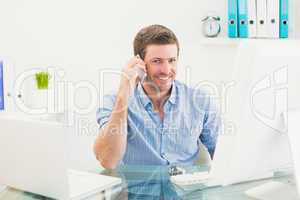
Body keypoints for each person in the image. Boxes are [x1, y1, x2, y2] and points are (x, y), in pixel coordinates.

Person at [94, 24, 220, 169]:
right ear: (139, 63)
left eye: (172, 60)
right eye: (157, 61)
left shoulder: (200, 101)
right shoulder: (114, 101)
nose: (166, 70)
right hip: (137, 191)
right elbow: (108, 161)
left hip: (188, 190)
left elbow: (223, 156)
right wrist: (124, 94)